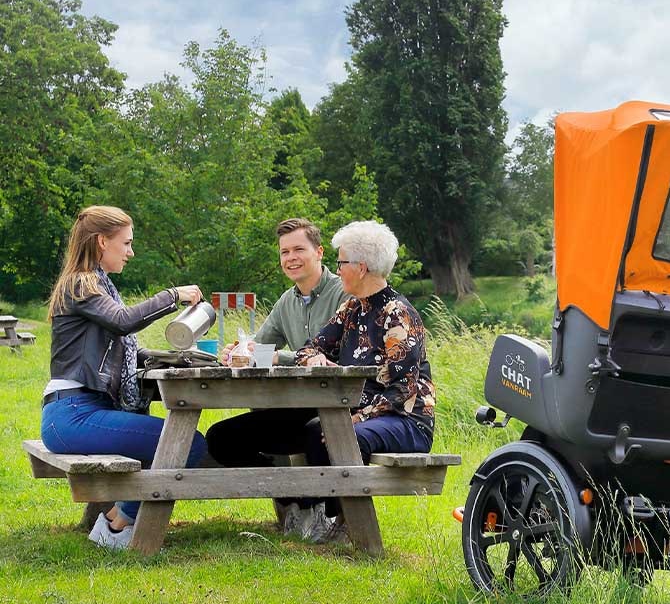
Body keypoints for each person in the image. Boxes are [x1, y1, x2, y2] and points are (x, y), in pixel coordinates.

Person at [42, 205, 206, 550]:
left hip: (83, 411)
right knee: (188, 443)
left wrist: (183, 358)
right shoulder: (80, 284)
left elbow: (120, 347)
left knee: (183, 441)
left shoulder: (99, 286)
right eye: (126, 243)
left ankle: (116, 522)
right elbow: (122, 321)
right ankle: (118, 524)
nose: (131, 252)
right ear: (103, 242)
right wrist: (173, 295)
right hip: (73, 414)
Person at [205, 217, 348, 540]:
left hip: (340, 408)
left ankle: (329, 515)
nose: (291, 258)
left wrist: (276, 357)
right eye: (284, 252)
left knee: (316, 433)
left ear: (320, 252)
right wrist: (238, 352)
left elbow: (339, 359)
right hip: (297, 406)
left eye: (299, 249)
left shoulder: (344, 293)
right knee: (221, 439)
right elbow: (259, 346)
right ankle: (293, 500)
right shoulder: (287, 301)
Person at [297, 220, 435, 494]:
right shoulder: (351, 309)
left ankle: (344, 519)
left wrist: (355, 419)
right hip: (363, 414)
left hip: (406, 420)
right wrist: (314, 358)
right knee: (312, 428)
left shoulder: (398, 316)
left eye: (341, 264)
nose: (337, 271)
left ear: (360, 268)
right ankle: (320, 514)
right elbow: (308, 348)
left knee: (343, 435)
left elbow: (400, 392)